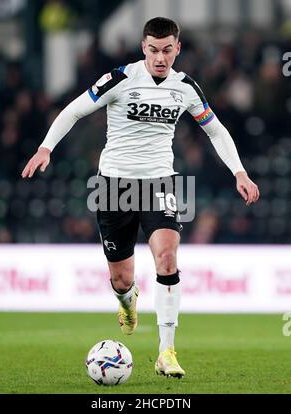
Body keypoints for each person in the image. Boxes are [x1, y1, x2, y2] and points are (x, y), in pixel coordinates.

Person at [22, 17, 260, 378]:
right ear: (143, 48)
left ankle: (167, 352)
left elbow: (216, 131)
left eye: (167, 50)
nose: (160, 58)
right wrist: (45, 148)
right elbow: (73, 109)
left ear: (177, 48)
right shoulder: (120, 79)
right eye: (153, 50)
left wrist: (239, 172)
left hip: (160, 182)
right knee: (121, 278)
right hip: (113, 185)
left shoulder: (186, 88)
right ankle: (127, 302)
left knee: (167, 258)